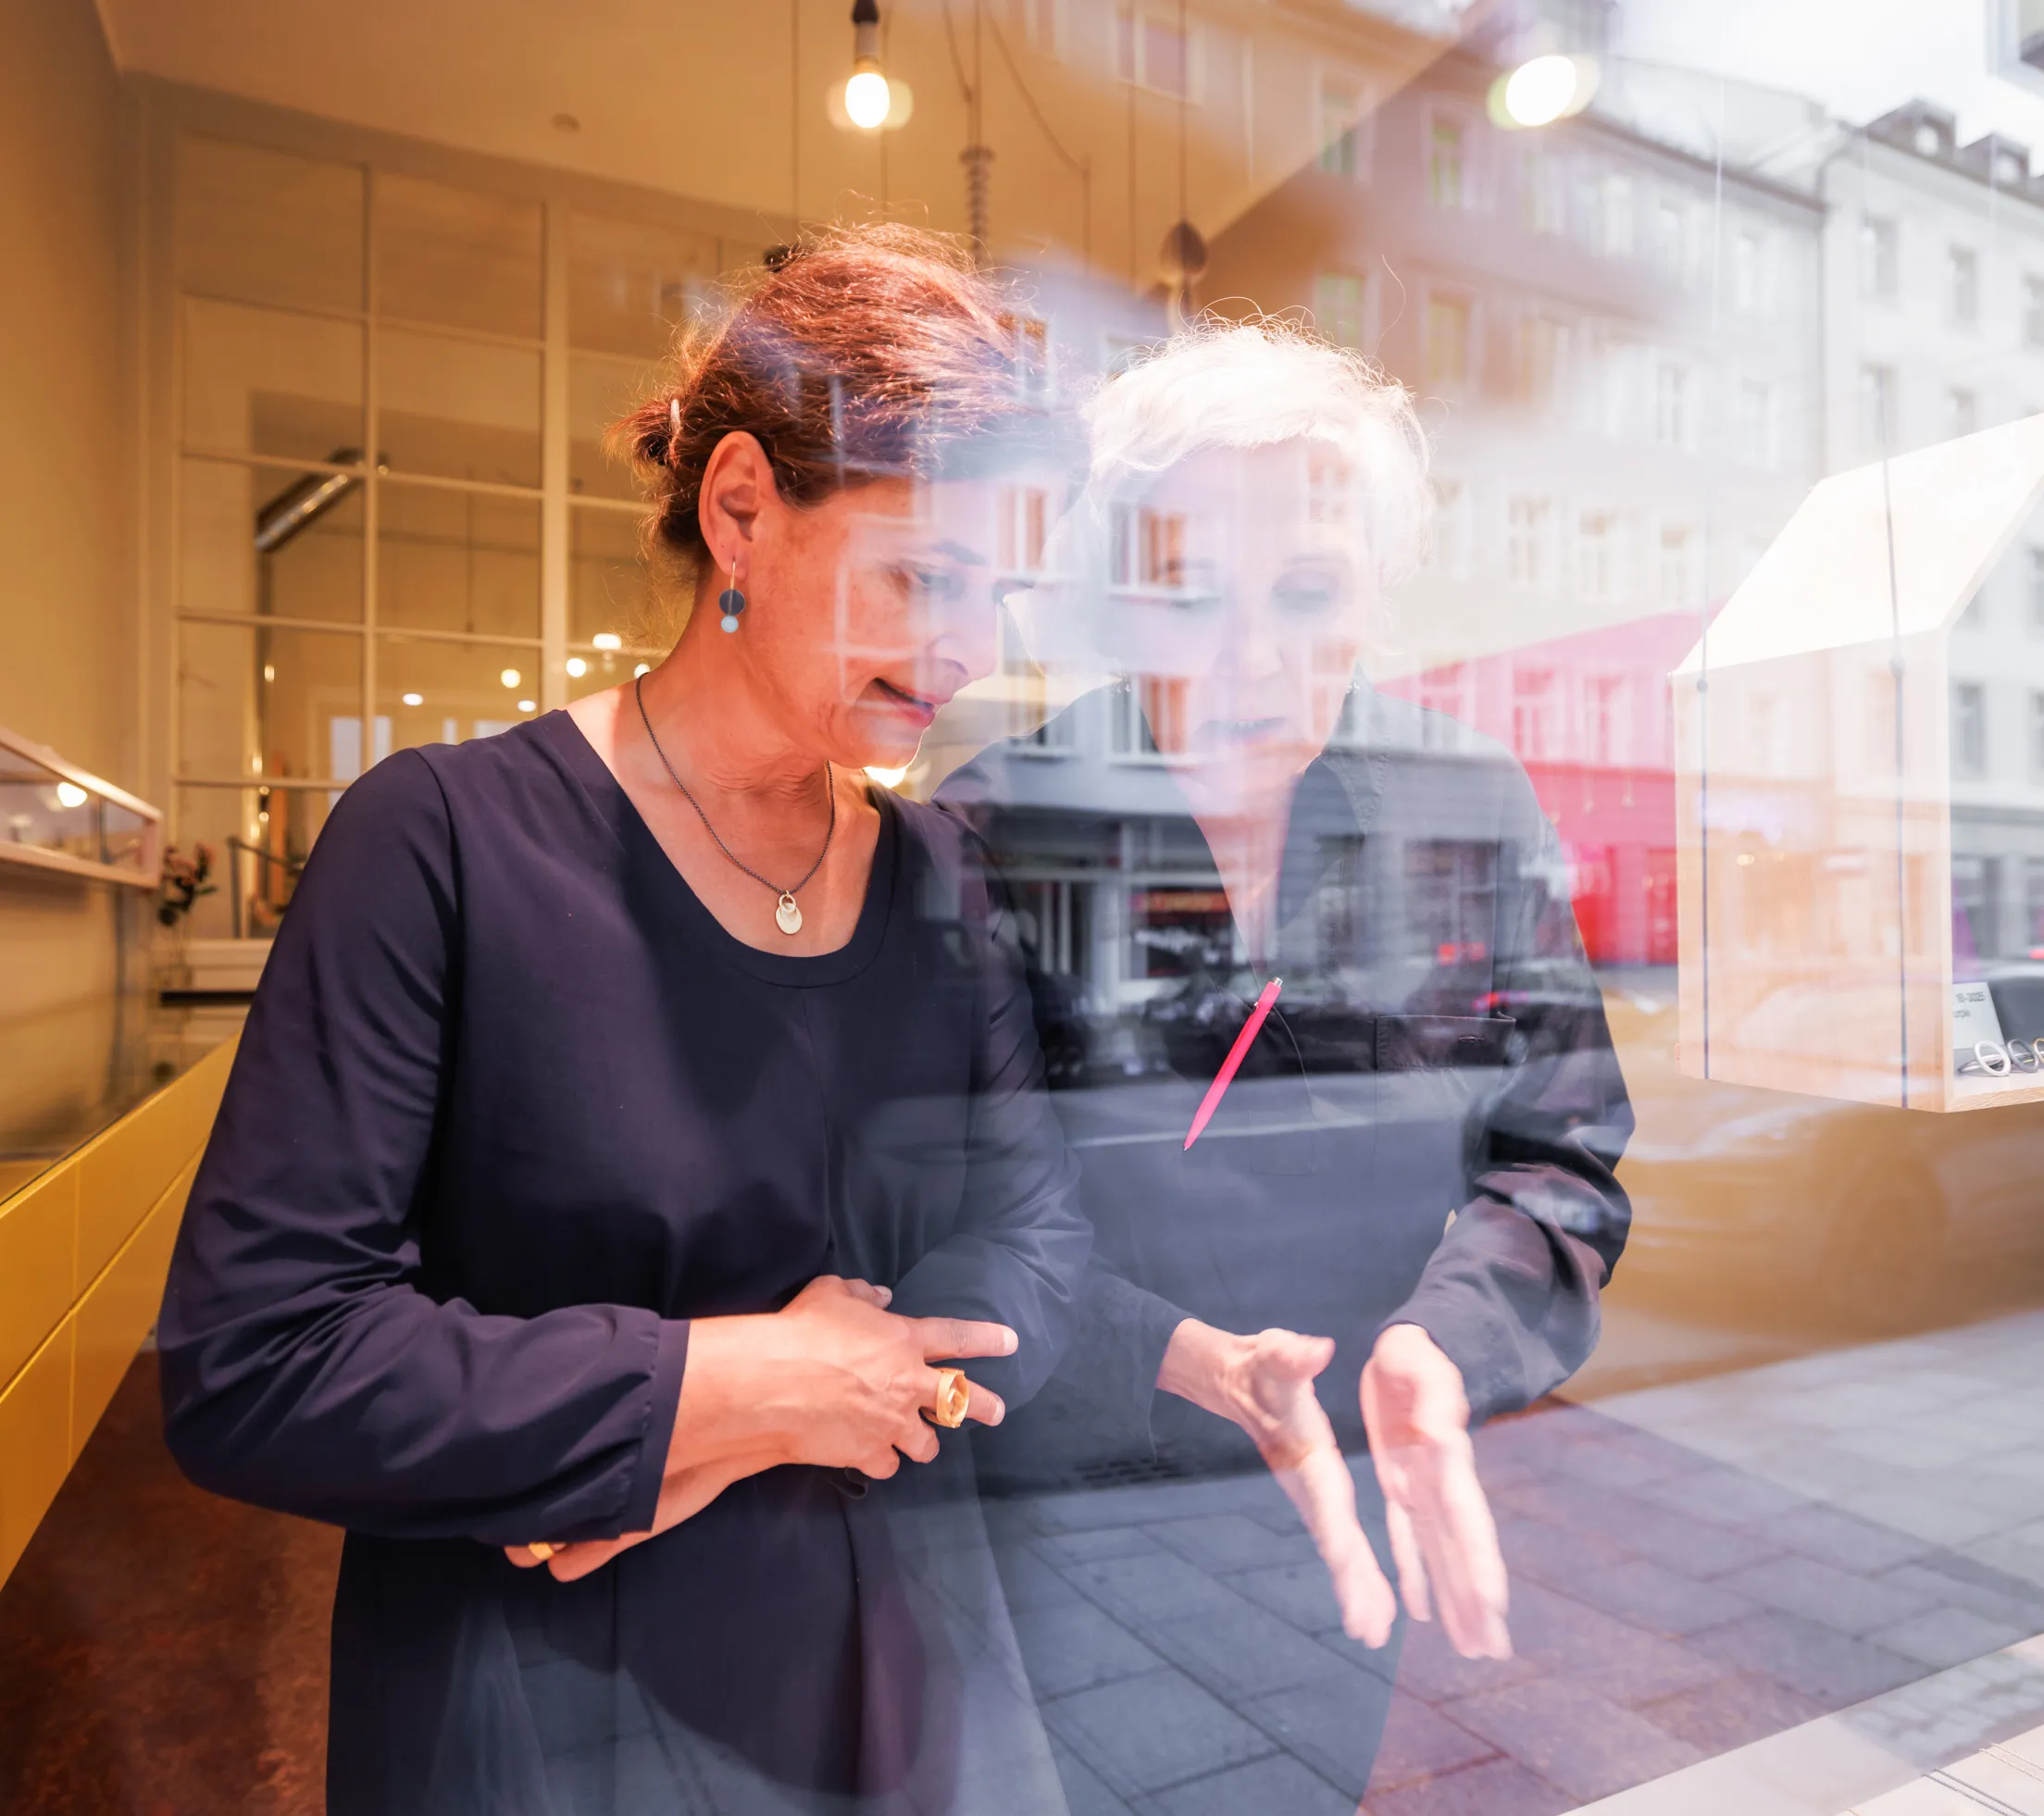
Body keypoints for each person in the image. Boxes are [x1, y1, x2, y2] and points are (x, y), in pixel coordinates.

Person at [157, 226, 1094, 1816]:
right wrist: (729, 1390)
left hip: (894, 1668)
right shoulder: (439, 843)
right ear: (741, 509)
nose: (969, 652)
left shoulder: (942, 872)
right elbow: (261, 1359)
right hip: (537, 1691)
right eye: (927, 575)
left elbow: (1041, 1237)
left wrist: (787, 1411)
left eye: (998, 593)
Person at [938, 319, 1635, 1766]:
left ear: (1372, 594)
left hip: (1343, 1489)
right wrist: (1176, 1354)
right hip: (1069, 1501)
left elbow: (1559, 1149)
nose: (1257, 657)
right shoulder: (995, 823)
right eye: (1190, 595)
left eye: (1309, 590)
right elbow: (934, 1210)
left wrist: (1445, 1346)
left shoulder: (1461, 804)